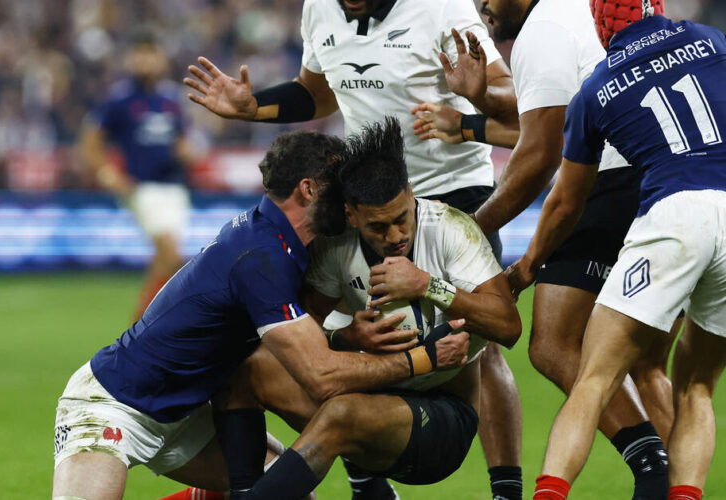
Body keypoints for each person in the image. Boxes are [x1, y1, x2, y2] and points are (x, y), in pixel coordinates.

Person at [183, 1, 525, 497]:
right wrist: (252, 107)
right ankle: (365, 476)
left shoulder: (440, 8)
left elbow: (511, 96)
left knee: (477, 345)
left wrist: (478, 98)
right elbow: (315, 94)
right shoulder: (320, 9)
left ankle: (506, 491)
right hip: (363, 197)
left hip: (451, 190)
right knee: (332, 331)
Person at [52, 129, 468, 500]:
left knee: (287, 490)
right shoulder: (262, 256)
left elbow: (286, 341)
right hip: (113, 405)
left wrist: (345, 339)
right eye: (338, 188)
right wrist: (422, 360)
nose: (348, 201)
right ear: (308, 189)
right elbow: (320, 375)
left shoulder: (282, 243)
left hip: (188, 413)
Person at [412, 0, 677, 497]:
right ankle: (678, 486)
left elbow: (540, 153)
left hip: (613, 181)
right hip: (668, 182)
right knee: (645, 364)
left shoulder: (544, 27)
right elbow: (550, 118)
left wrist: (468, 231)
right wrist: (479, 105)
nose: (483, 6)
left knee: (554, 344)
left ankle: (650, 466)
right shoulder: (575, 16)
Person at [500, 2, 726, 498]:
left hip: (673, 212)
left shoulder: (598, 88)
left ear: (602, 22)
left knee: (594, 378)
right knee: (696, 388)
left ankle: (550, 493)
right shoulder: (710, 40)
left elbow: (565, 202)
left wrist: (526, 267)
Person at [80, 28, 196, 320]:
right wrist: (107, 174)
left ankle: (147, 328)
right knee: (170, 253)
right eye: (140, 54)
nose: (146, 60)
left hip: (174, 187)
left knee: (166, 261)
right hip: (143, 187)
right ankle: (141, 326)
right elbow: (91, 140)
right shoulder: (120, 98)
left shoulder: (172, 98)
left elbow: (182, 140)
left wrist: (187, 152)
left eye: (151, 53)